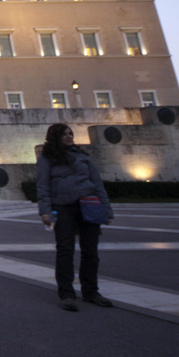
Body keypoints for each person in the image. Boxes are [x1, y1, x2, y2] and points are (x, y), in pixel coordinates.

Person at [37, 124, 113, 311]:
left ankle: (91, 291)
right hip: (63, 207)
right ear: (55, 137)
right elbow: (43, 185)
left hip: (88, 205)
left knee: (91, 251)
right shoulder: (47, 158)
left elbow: (97, 183)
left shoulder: (83, 156)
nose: (69, 136)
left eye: (70, 133)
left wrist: (106, 208)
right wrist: (45, 211)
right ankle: (67, 294)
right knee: (65, 250)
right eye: (64, 134)